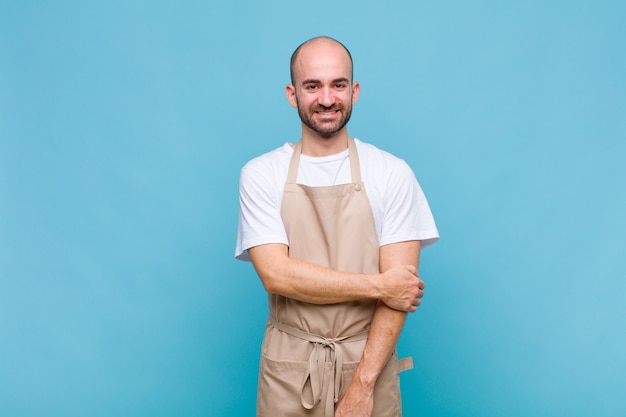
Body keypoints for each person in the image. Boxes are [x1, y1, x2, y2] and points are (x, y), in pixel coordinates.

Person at [235, 36, 439, 417]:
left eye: (338, 85)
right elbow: (277, 275)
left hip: (369, 360)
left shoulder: (392, 173)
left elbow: (402, 293)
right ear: (292, 94)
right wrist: (379, 285)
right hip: (289, 368)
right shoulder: (261, 174)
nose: (326, 99)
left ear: (354, 91)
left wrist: (363, 385)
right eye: (312, 86)